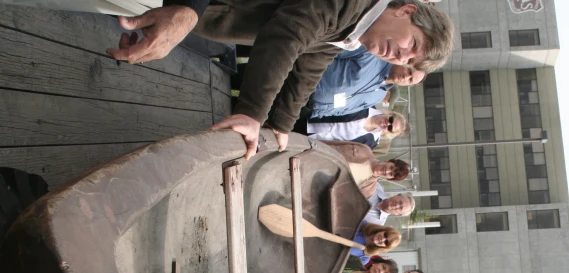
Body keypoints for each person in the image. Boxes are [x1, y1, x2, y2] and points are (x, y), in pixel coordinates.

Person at [106, 0, 454, 157]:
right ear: (406, 11)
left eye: (410, 61)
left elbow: (308, 70)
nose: (400, 57)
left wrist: (279, 128)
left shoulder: (351, 30)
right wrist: (252, 114)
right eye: (412, 45)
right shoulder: (353, 4)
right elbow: (288, 34)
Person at [309, 48, 426, 119]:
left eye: (410, 80)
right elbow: (329, 53)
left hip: (307, 109)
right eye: (409, 71)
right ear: (405, 62)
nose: (406, 77)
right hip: (304, 81)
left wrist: (317, 113)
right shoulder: (373, 55)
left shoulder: (379, 96)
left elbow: (345, 110)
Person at [320, 141, 409, 199]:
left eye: (391, 174)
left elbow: (340, 198)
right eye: (391, 167)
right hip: (316, 155)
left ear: (388, 178)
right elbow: (335, 143)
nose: (387, 171)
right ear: (389, 161)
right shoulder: (364, 149)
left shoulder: (369, 190)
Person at [307, 110, 408, 149]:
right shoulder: (367, 106)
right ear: (390, 114)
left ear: (388, 132)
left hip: (313, 141)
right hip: (309, 118)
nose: (387, 124)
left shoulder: (371, 142)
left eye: (390, 128)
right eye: (390, 120)